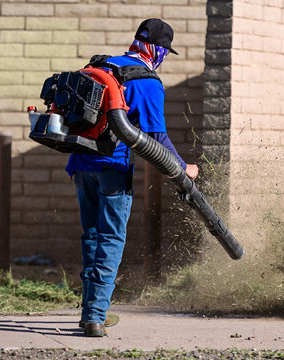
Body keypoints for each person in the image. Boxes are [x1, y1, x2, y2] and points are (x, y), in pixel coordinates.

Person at [65, 18, 198, 337]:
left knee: (92, 236)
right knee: (110, 238)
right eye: (165, 51)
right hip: (113, 167)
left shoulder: (101, 64)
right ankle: (96, 316)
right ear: (159, 50)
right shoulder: (147, 81)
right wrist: (184, 168)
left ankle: (89, 312)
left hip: (81, 163)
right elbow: (158, 139)